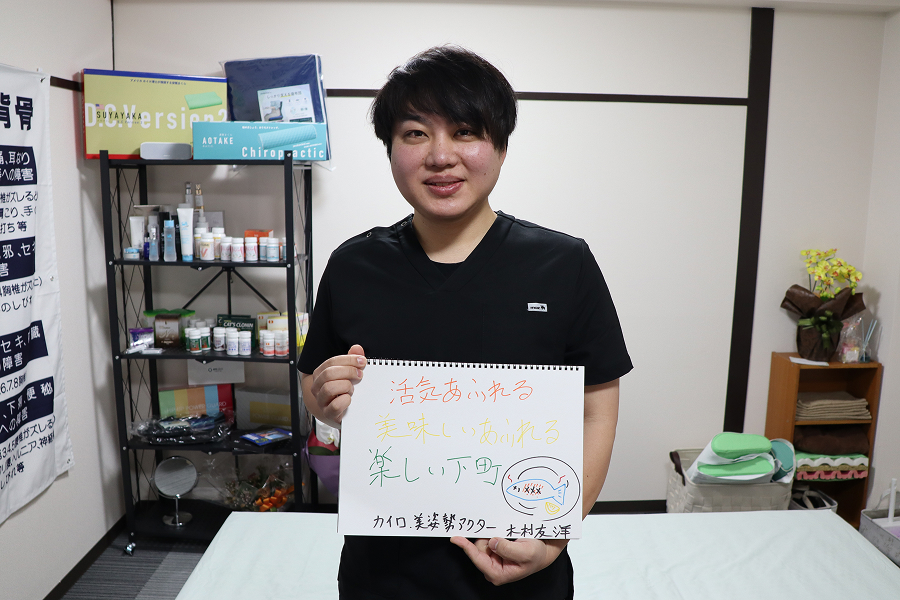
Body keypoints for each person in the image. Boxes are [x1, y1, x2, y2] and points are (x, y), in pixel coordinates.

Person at [299, 45, 632, 600]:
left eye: (465, 132)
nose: (440, 156)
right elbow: (316, 386)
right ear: (390, 149)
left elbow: (596, 409)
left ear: (500, 146)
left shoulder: (563, 264)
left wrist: (553, 538)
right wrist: (324, 398)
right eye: (415, 133)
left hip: (522, 568)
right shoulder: (354, 265)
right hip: (382, 572)